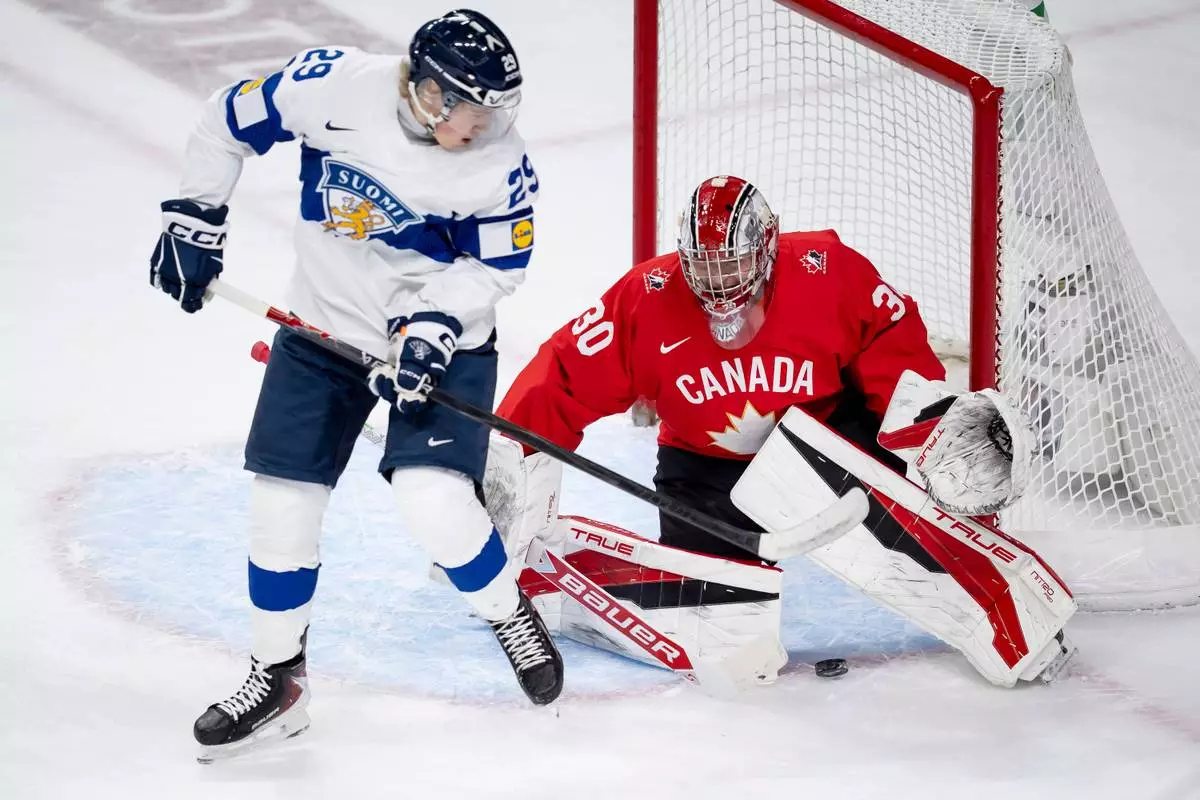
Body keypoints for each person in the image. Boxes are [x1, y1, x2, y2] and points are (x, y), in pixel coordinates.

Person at [149, 9, 562, 762]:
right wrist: (195, 218)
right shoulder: (331, 86)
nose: (485, 125)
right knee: (281, 506)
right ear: (429, 93)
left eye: (495, 110)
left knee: (432, 503)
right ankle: (279, 680)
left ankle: (506, 611)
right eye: (472, 108)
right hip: (322, 326)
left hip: (439, 339)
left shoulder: (500, 162)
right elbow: (226, 118)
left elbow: (497, 267)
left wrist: (432, 328)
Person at [493, 175, 1075, 688]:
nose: (718, 282)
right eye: (704, 265)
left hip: (823, 443)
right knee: (723, 640)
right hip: (704, 470)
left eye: (734, 264)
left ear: (766, 248)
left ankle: (1011, 610)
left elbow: (888, 344)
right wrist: (506, 460)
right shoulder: (646, 298)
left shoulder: (828, 271)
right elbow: (564, 374)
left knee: (913, 532)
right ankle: (546, 581)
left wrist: (924, 428)